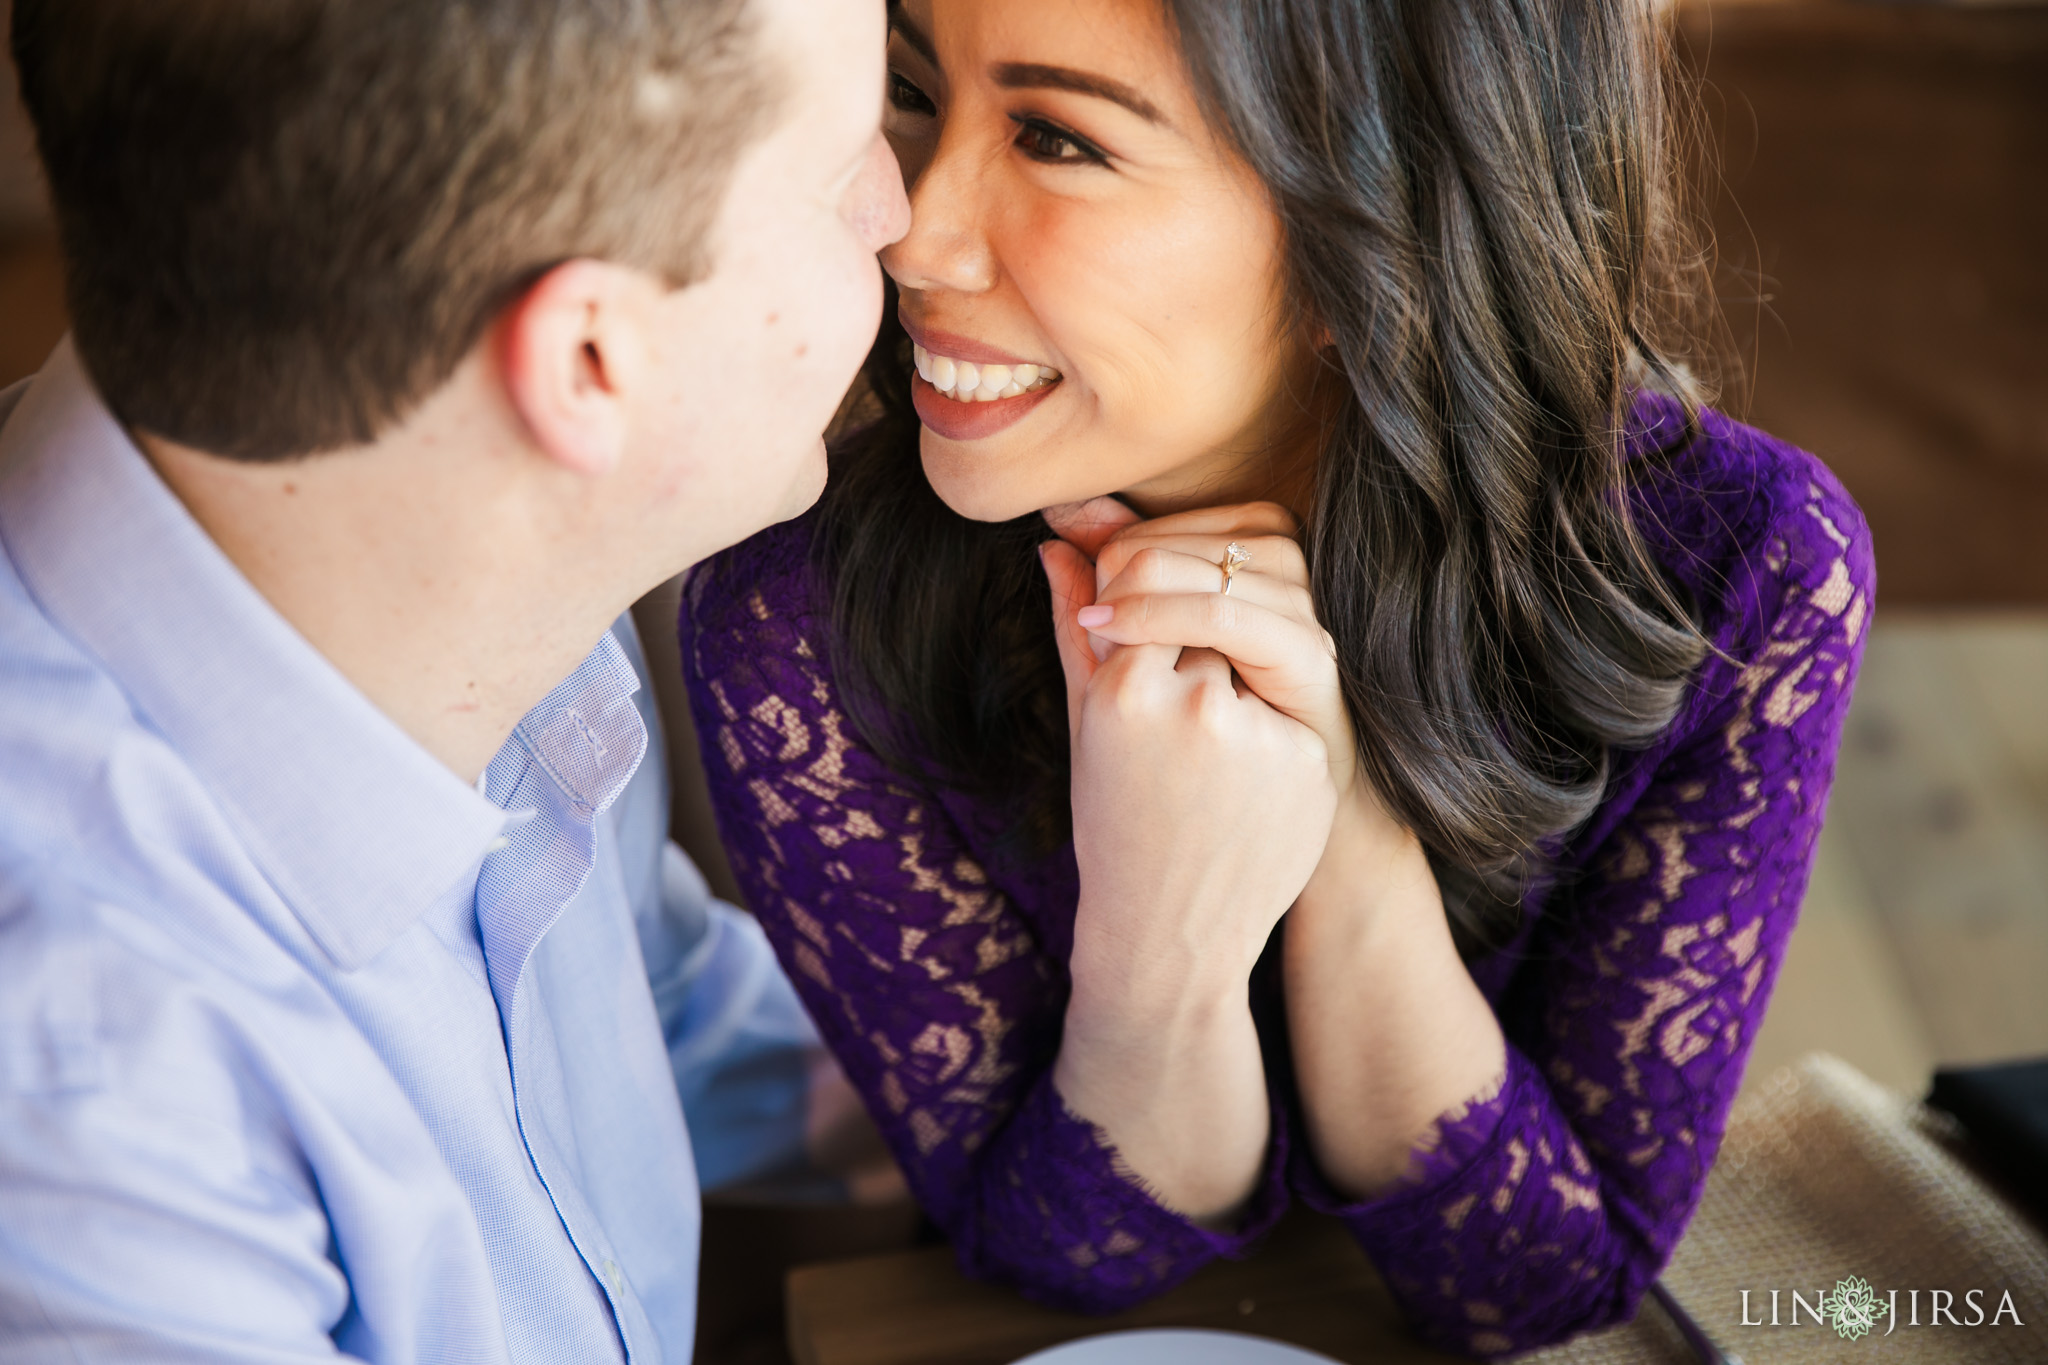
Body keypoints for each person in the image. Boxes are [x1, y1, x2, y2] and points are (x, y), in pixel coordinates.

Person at [679, 0, 1875, 1355]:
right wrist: (1156, 965)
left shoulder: (1742, 570)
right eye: (911, 88)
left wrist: (1347, 838)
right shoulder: (799, 624)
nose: (913, 223)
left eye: (1055, 136)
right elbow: (1070, 1257)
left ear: (1378, 223)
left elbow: (1542, 1281)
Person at [0, 0, 908, 1358]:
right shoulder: (93, 1114)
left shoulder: (457, 572)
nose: (908, 211)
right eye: (848, 171)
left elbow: (668, 1031)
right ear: (589, 363)